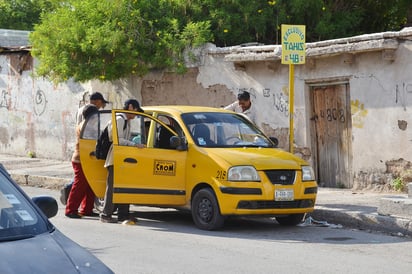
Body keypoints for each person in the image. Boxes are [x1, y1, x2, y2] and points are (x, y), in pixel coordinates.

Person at [100, 99, 145, 225]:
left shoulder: (127, 121)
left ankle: (123, 215)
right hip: (115, 158)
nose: (135, 115)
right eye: (135, 111)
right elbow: (116, 139)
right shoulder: (120, 119)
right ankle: (106, 214)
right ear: (130, 107)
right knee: (112, 187)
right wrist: (134, 144)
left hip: (124, 158)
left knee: (125, 187)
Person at [65, 104, 99, 218]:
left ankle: (87, 209)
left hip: (87, 158)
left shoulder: (87, 124)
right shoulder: (85, 125)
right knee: (79, 185)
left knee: (90, 184)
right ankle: (71, 210)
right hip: (81, 159)